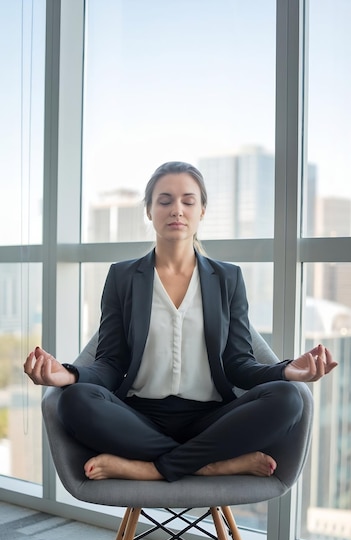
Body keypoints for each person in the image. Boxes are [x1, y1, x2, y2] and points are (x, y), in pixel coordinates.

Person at [24, 161, 338, 483]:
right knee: (75, 402)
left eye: (188, 201)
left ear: (202, 210)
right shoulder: (123, 276)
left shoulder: (228, 278)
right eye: (165, 201)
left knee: (288, 399)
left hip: (211, 418)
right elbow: (110, 362)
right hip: (138, 416)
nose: (177, 209)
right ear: (149, 210)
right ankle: (210, 464)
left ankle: (149, 468)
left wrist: (286, 371)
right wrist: (69, 374)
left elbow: (238, 364)